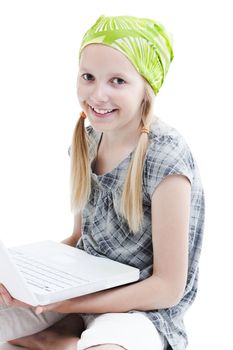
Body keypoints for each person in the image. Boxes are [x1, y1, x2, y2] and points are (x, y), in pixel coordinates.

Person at [0, 14, 205, 350]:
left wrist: (67, 305)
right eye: (88, 77)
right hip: (83, 292)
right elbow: (81, 240)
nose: (97, 94)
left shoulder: (167, 159)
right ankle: (61, 335)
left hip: (140, 309)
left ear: (146, 88)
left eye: (118, 81)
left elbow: (167, 287)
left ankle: (61, 337)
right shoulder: (89, 140)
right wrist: (22, 275)